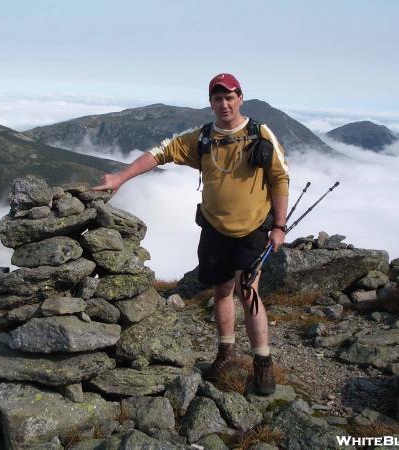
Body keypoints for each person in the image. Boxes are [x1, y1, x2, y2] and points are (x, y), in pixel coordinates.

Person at [92, 73, 289, 395]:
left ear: (240, 98)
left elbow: (280, 179)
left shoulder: (260, 135)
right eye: (217, 98)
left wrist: (279, 226)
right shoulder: (202, 138)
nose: (224, 104)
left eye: (229, 97)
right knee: (222, 290)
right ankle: (225, 352)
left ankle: (262, 362)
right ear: (211, 102)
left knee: (248, 292)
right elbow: (161, 152)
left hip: (254, 226)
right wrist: (120, 178)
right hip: (214, 227)